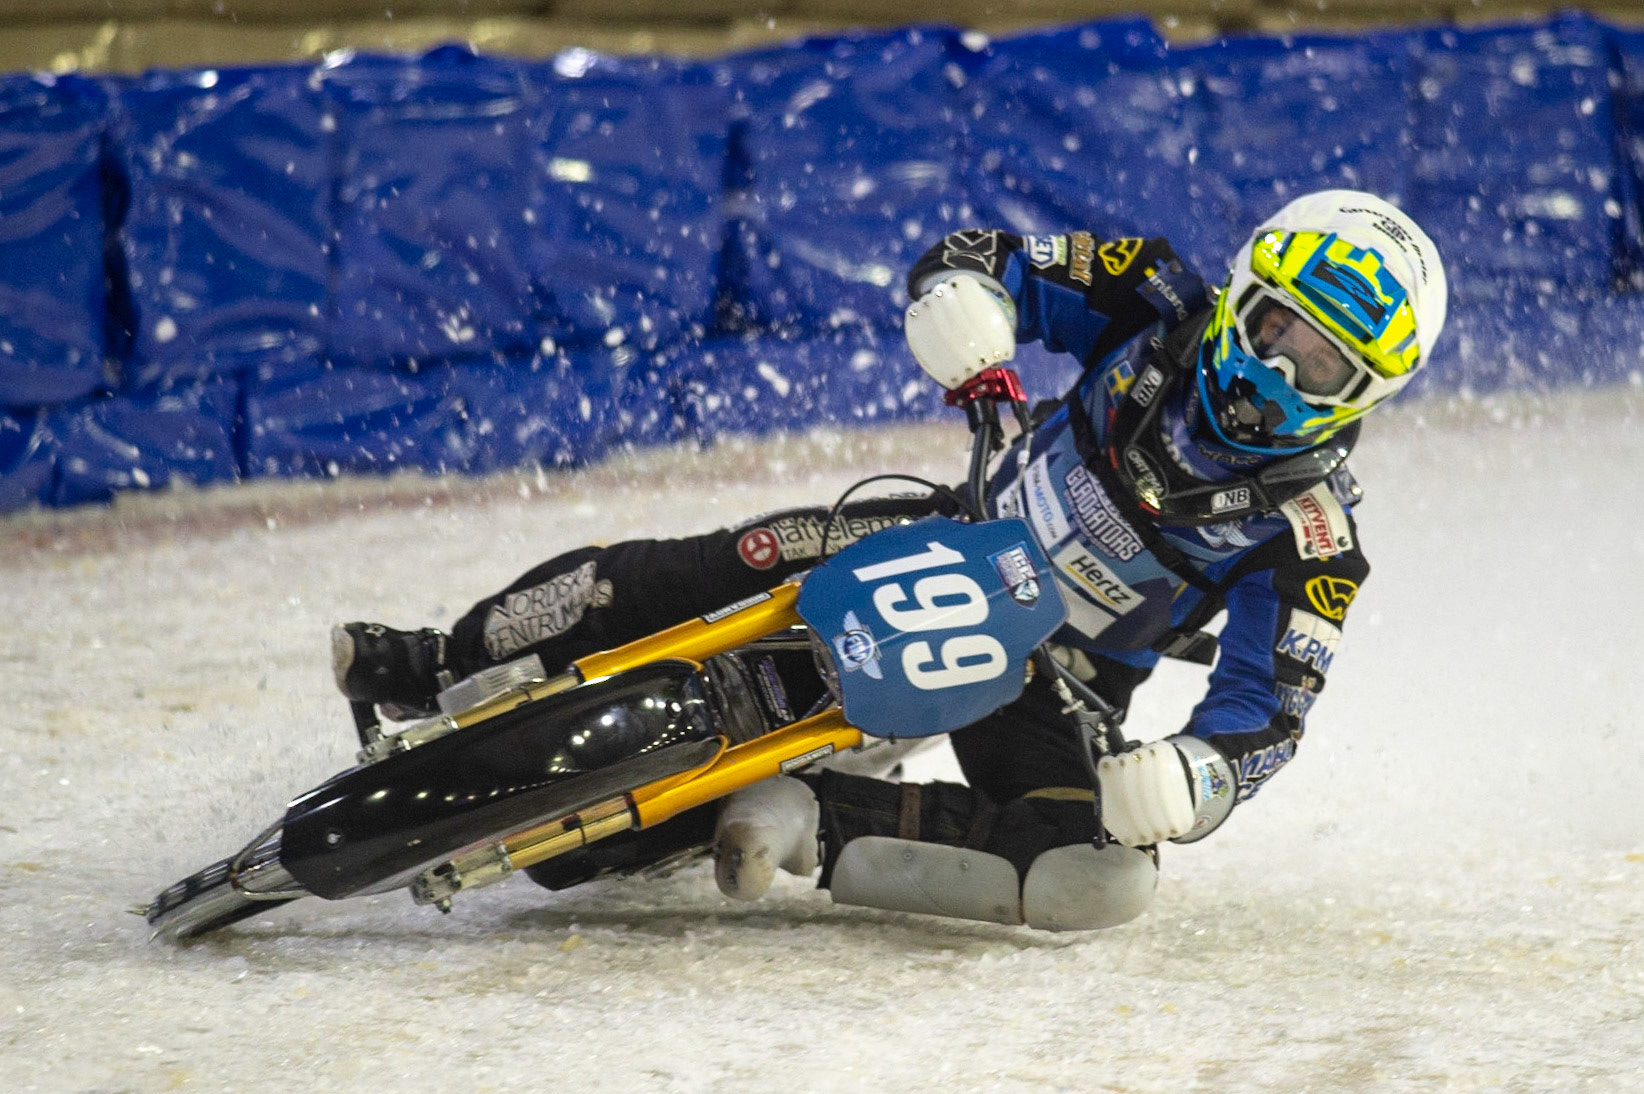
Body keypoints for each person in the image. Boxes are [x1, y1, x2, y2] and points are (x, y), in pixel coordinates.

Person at [332, 189, 1447, 931]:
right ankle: (440, 654)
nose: (1271, 377)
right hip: (943, 535)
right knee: (719, 559)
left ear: (1367, 401)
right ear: (1237, 296)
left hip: (1051, 683)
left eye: (1323, 370)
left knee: (1096, 877)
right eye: (1271, 330)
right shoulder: (1148, 290)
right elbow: (976, 255)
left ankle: (810, 819)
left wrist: (1198, 775)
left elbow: (1270, 716)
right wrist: (966, 306)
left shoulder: (1316, 542)